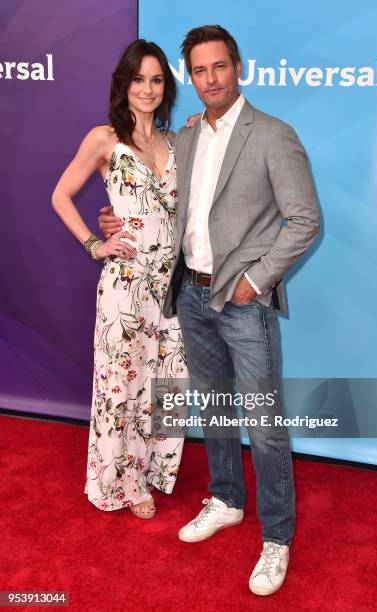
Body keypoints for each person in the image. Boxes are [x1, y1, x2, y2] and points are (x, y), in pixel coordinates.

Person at [99, 25, 320, 595]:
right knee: (214, 407)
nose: (210, 79)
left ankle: (277, 535)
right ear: (190, 77)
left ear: (237, 68)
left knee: (264, 426)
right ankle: (225, 498)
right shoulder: (187, 138)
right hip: (189, 296)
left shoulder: (273, 134)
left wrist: (255, 281)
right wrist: (111, 223)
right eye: (198, 71)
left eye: (219, 67)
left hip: (242, 302)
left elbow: (305, 221)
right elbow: (157, 199)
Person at [52, 39, 187, 519]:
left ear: (165, 87)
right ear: (123, 84)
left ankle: (153, 468)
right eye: (138, 79)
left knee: (168, 380)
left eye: (156, 80)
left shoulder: (177, 143)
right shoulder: (104, 139)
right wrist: (95, 242)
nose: (147, 89)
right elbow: (60, 196)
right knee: (121, 385)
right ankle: (125, 482)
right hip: (125, 286)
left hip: (172, 287)